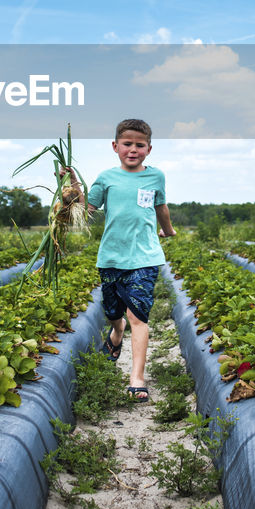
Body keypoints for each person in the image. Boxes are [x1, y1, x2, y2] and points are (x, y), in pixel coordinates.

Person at [65, 118, 174, 401]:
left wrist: (169, 230)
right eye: (127, 144)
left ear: (149, 149)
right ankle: (116, 334)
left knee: (138, 315)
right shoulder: (106, 178)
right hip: (111, 258)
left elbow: (161, 206)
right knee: (114, 314)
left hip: (145, 257)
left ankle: (136, 377)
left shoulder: (156, 177)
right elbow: (87, 209)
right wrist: (73, 186)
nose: (133, 149)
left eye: (140, 145)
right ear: (115, 146)